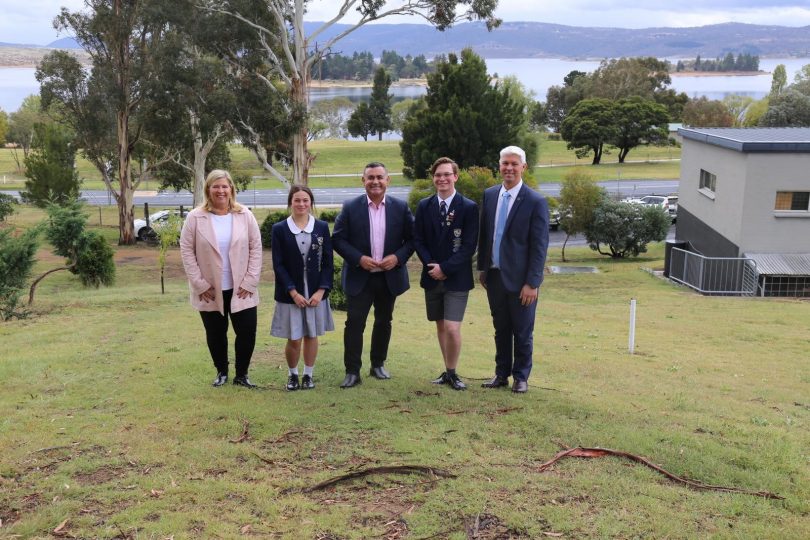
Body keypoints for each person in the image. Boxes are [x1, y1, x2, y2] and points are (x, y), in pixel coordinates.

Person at [332, 162, 415, 388]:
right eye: (370, 178)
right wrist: (359, 258)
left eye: (380, 177)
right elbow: (337, 239)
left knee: (384, 321)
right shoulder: (350, 207)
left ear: (388, 180)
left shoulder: (400, 207)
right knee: (354, 323)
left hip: (389, 277)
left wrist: (397, 257)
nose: (375, 182)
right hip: (360, 276)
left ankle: (377, 364)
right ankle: (352, 371)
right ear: (363, 181)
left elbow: (413, 239)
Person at [180, 169, 263, 388]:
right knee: (216, 334)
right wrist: (199, 284)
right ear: (208, 189)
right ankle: (222, 371)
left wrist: (250, 280)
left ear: (231, 189)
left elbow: (256, 248)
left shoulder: (245, 215)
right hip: (210, 289)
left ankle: (242, 374)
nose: (221, 190)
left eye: (224, 186)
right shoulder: (195, 217)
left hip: (241, 288)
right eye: (216, 186)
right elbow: (187, 251)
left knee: (246, 332)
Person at [477, 146, 549, 394]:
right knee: (501, 329)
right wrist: (483, 269)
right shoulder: (489, 195)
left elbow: (539, 246)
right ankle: (501, 374)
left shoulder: (535, 201)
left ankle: (521, 377)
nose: (509, 168)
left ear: (523, 167)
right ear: (499, 165)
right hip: (494, 276)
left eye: (514, 164)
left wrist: (533, 282)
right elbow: (485, 235)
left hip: (522, 282)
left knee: (522, 330)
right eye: (505, 163)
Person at [413, 157, 479, 391]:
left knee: (452, 327)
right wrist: (432, 266)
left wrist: (446, 268)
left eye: (446, 174)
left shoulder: (469, 207)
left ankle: (453, 372)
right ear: (433, 178)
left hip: (457, 278)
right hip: (432, 276)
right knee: (440, 326)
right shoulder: (424, 206)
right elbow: (418, 240)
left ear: (455, 177)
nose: (442, 179)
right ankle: (447, 371)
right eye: (438, 175)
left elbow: (469, 246)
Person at [270, 186, 335, 391]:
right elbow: (278, 264)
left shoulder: (322, 227)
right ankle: (292, 375)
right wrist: (293, 292)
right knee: (294, 337)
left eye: (305, 200)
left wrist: (321, 291)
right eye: (297, 200)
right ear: (290, 202)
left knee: (312, 335)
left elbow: (328, 262)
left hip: (315, 291)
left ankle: (308, 374)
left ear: (311, 202)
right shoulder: (279, 229)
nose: (301, 204)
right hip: (292, 292)